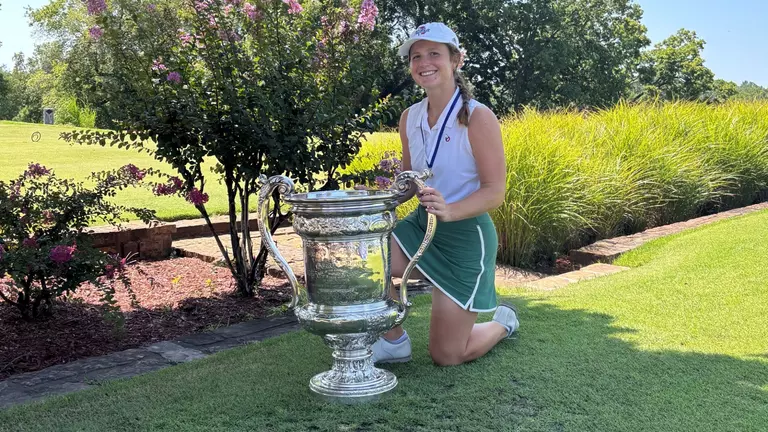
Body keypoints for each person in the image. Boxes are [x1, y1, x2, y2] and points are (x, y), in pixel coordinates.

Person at [371, 22, 520, 367]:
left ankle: (502, 323)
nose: (424, 62)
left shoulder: (479, 117)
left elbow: (495, 192)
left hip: (465, 239)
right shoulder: (409, 117)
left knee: (447, 355)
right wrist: (380, 199)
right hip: (421, 226)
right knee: (366, 259)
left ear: (456, 60)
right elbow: (410, 181)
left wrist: (450, 211)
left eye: (434, 53)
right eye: (416, 56)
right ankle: (393, 341)